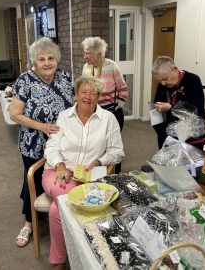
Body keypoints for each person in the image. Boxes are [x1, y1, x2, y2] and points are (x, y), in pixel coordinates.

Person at [42, 75, 124, 270]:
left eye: (93, 93)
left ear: (98, 97)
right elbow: (52, 146)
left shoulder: (108, 119)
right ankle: (85, 252)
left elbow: (117, 151)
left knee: (57, 209)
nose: (88, 96)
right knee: (66, 196)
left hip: (89, 175)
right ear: (76, 95)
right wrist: (60, 165)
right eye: (84, 92)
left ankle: (59, 262)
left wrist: (98, 161)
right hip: (58, 171)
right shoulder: (64, 116)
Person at [9, 37, 74, 248]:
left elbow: (72, 106)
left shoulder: (65, 77)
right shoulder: (24, 81)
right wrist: (42, 126)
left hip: (61, 141)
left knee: (59, 176)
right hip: (34, 142)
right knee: (34, 180)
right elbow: (14, 114)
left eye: (51, 58)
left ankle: (55, 213)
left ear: (57, 60)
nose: (47, 63)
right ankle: (29, 223)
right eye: (42, 59)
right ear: (34, 62)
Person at [81, 36, 128, 173]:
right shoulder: (86, 67)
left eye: (87, 54)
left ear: (99, 54)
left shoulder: (111, 66)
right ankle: (97, 174)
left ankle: (115, 175)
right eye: (84, 53)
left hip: (112, 112)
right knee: (97, 145)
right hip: (94, 112)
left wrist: (118, 105)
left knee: (113, 146)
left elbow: (122, 87)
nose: (85, 57)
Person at [152, 56, 205, 150]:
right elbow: (156, 112)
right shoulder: (162, 85)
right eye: (160, 80)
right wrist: (164, 137)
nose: (163, 83)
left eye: (165, 78)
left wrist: (171, 108)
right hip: (169, 137)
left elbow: (196, 109)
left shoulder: (193, 80)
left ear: (175, 69)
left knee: (190, 164)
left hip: (192, 136)